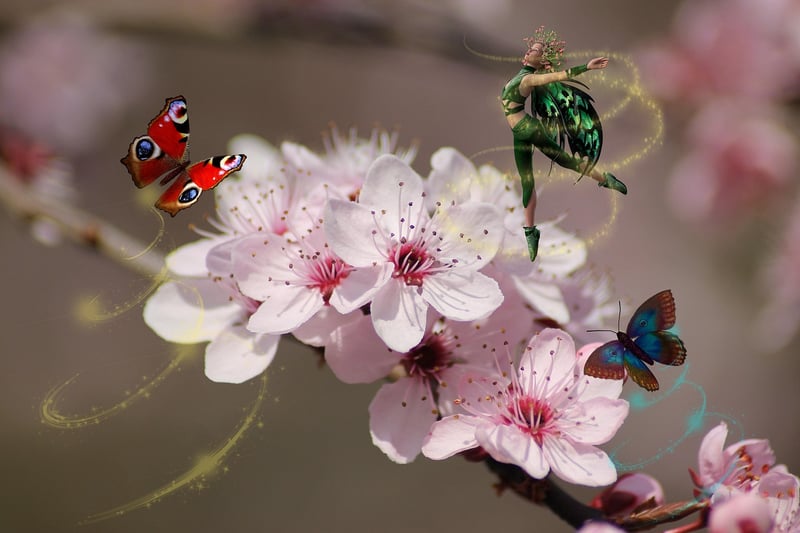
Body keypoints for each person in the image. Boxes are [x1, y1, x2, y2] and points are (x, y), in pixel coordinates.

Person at [501, 26, 628, 261]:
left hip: (529, 129)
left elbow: (558, 76)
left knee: (566, 162)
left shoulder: (529, 79)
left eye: (537, 51)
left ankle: (605, 178)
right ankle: (531, 232)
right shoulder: (518, 76)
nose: (531, 52)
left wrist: (586, 67)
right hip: (519, 133)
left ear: (541, 61)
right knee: (527, 181)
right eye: (531, 49)